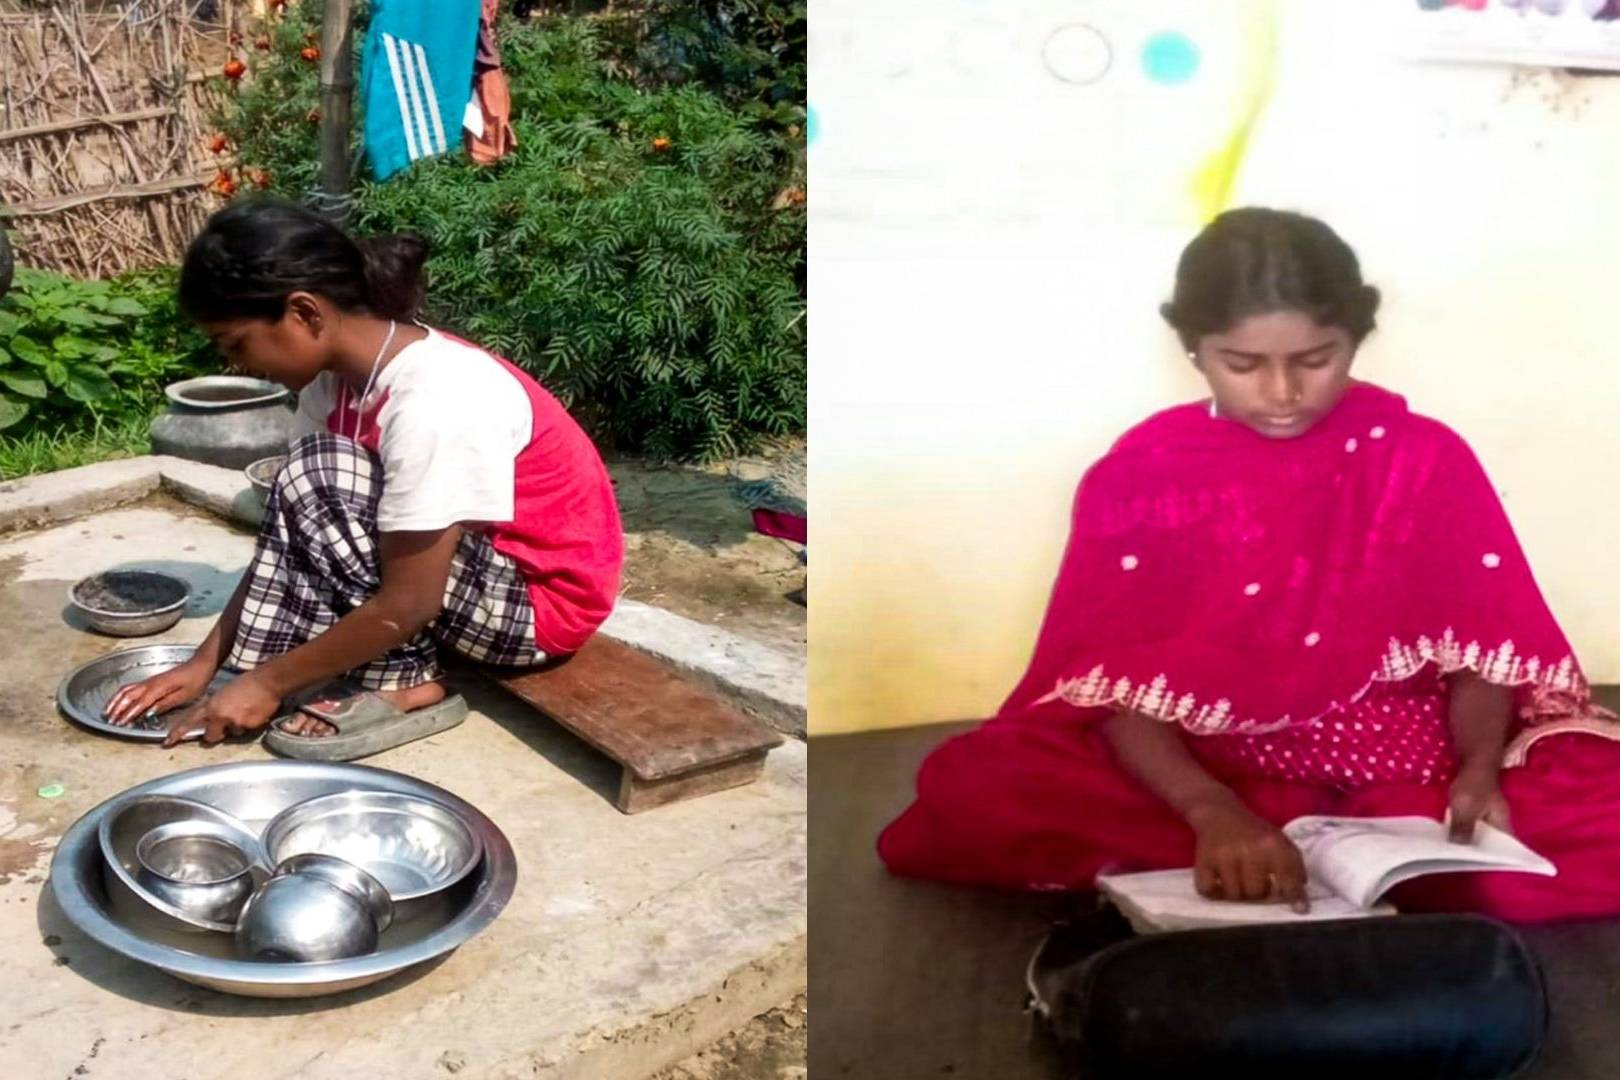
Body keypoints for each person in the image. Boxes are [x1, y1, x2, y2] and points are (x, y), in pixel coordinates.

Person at [878, 207, 1620, 924]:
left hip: (1413, 771)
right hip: (1219, 771)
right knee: (983, 788)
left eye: (1315, 359)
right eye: (1242, 364)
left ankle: (1349, 869)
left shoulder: (1421, 458)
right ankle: (1301, 863)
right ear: (1193, 348)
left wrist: (1479, 772)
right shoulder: (1145, 475)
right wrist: (1212, 812)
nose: (1282, 393)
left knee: (1598, 814)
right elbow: (1118, 694)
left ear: (1356, 338)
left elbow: (1479, 657)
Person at [104, 199, 624, 757]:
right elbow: (286, 540)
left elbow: (412, 602)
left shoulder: (435, 399)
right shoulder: (332, 385)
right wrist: (206, 663)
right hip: (466, 582)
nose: (239, 365)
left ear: (305, 313)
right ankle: (382, 659)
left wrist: (267, 681)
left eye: (237, 344)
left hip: (537, 612)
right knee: (303, 484)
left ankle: (407, 683)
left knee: (319, 475)